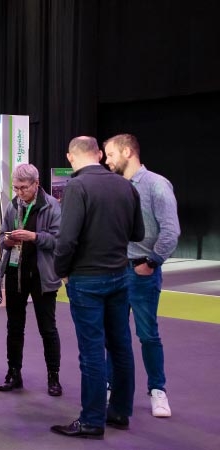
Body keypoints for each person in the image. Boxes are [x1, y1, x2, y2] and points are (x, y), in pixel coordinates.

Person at [51, 136, 144, 440]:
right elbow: (138, 232)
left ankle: (92, 420)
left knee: (91, 351)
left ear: (71, 157)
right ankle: (119, 412)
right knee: (120, 346)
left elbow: (66, 240)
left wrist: (61, 272)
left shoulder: (77, 186)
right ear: (99, 154)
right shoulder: (125, 185)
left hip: (87, 280)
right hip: (119, 275)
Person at [103, 133, 180, 418]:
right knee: (113, 333)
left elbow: (171, 231)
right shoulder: (114, 187)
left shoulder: (157, 185)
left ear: (126, 152)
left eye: (110, 155)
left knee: (147, 334)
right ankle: (111, 387)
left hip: (141, 271)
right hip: (113, 270)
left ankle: (157, 390)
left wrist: (151, 262)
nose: (107, 161)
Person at [0, 163, 63, 396]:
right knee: (14, 327)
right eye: (16, 188)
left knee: (48, 328)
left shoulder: (52, 206)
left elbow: (60, 241)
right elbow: (1, 237)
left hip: (42, 275)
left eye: (24, 188)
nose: (19, 193)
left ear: (36, 184)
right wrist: (7, 241)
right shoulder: (12, 206)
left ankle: (53, 377)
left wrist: (34, 237)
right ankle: (13, 373)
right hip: (16, 273)